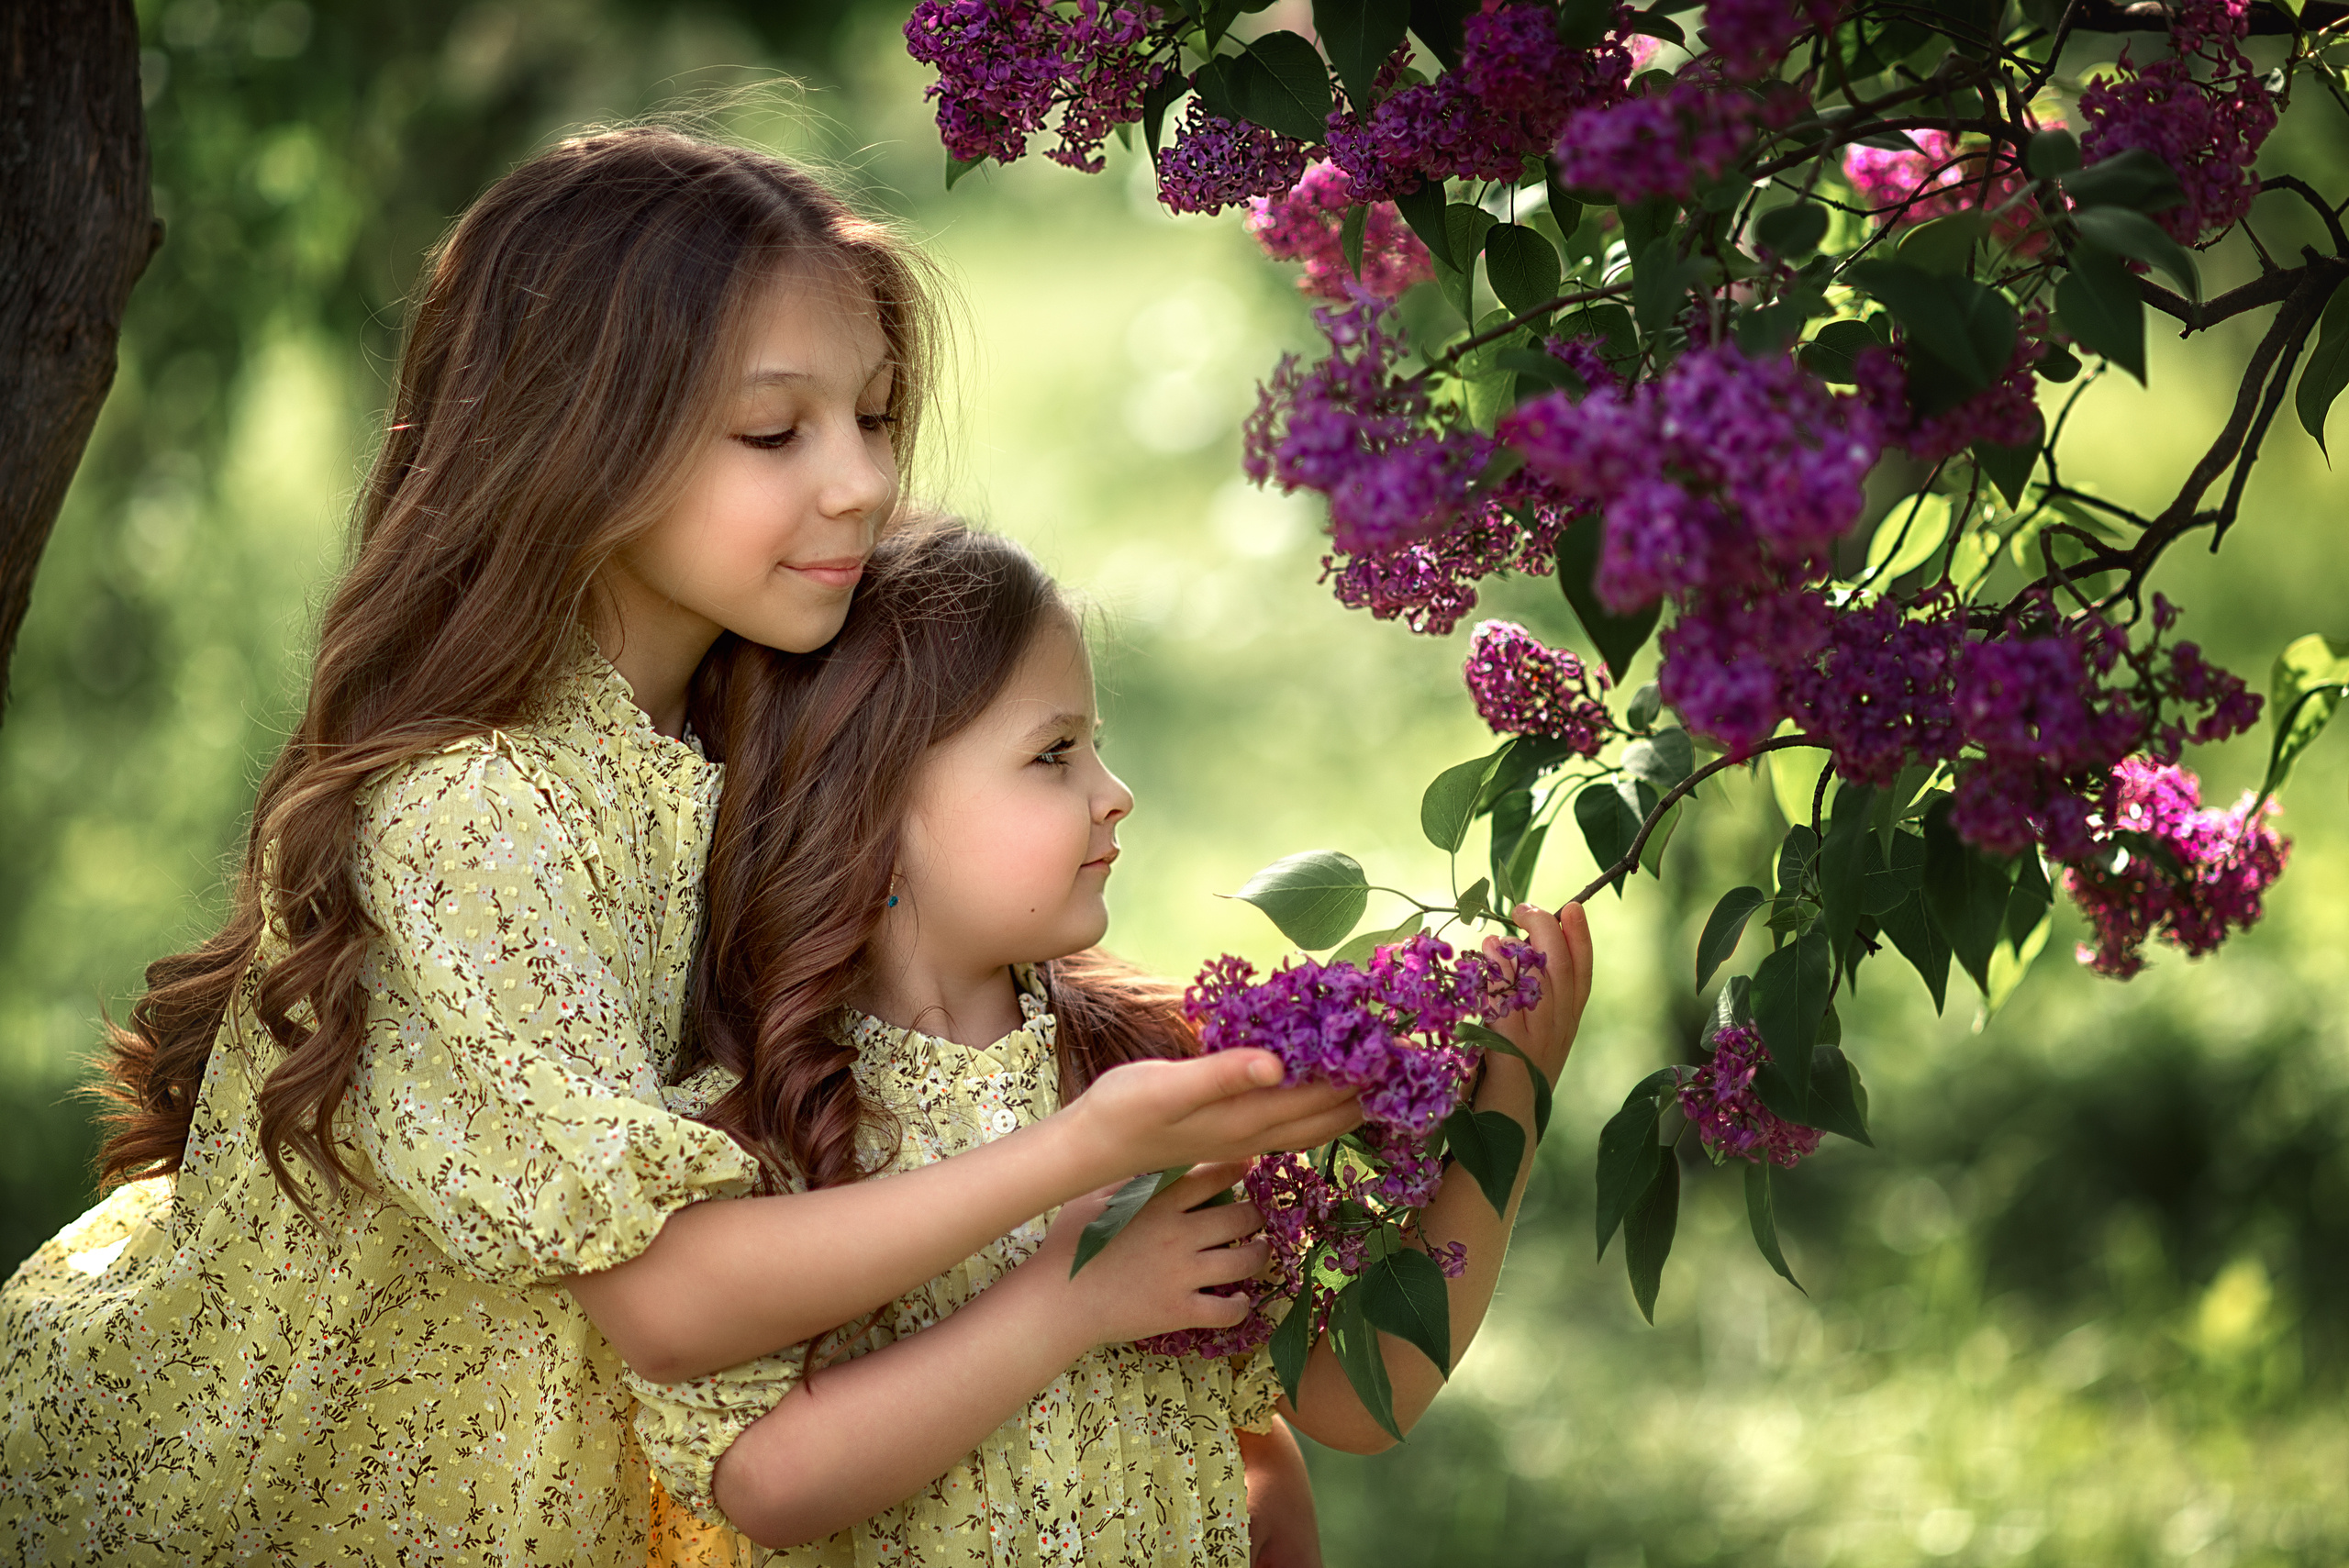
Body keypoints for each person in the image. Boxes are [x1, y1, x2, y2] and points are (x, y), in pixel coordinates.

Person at [0, 128, 1358, 1565]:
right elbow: (669, 1300)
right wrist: (1079, 1160)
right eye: (775, 433)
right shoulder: (477, 812)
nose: (859, 484)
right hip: (296, 1495)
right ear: (579, 435)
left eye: (876, 419)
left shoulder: (746, 729)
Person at [628, 520, 1593, 1566]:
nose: (1113, 789)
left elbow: (1353, 1396)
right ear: (863, 809)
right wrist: (1070, 1299)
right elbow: (771, 1485)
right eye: (1054, 753)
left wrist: (1514, 1097)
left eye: (1093, 743)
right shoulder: (770, 1115)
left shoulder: (1148, 1067)